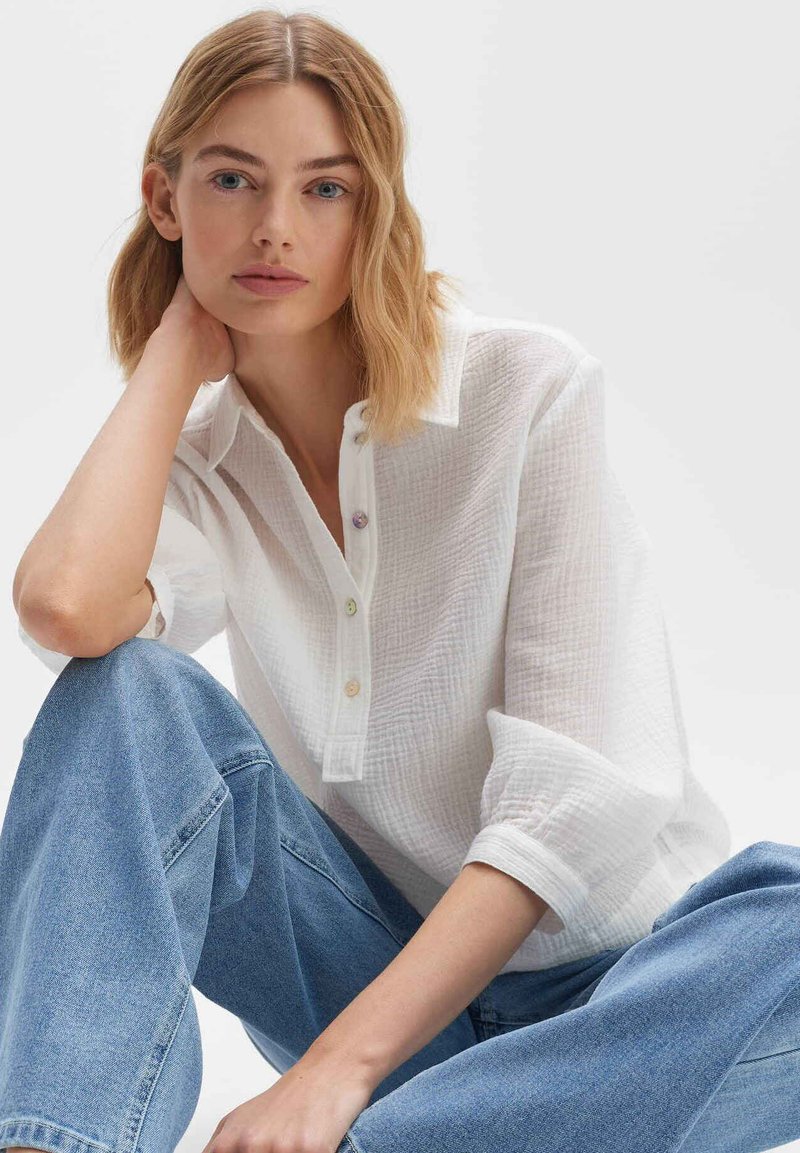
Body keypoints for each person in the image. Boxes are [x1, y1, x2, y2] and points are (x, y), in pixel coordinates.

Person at [4, 9, 800, 1153]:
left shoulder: (525, 391)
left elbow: (576, 799)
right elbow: (66, 608)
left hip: (624, 1016)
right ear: (164, 198)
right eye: (232, 180)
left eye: (325, 188)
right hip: (368, 978)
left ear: (372, 206)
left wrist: (337, 1073)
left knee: (782, 914)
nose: (275, 227)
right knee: (123, 697)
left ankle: (416, 1132)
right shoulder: (198, 466)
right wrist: (175, 348)